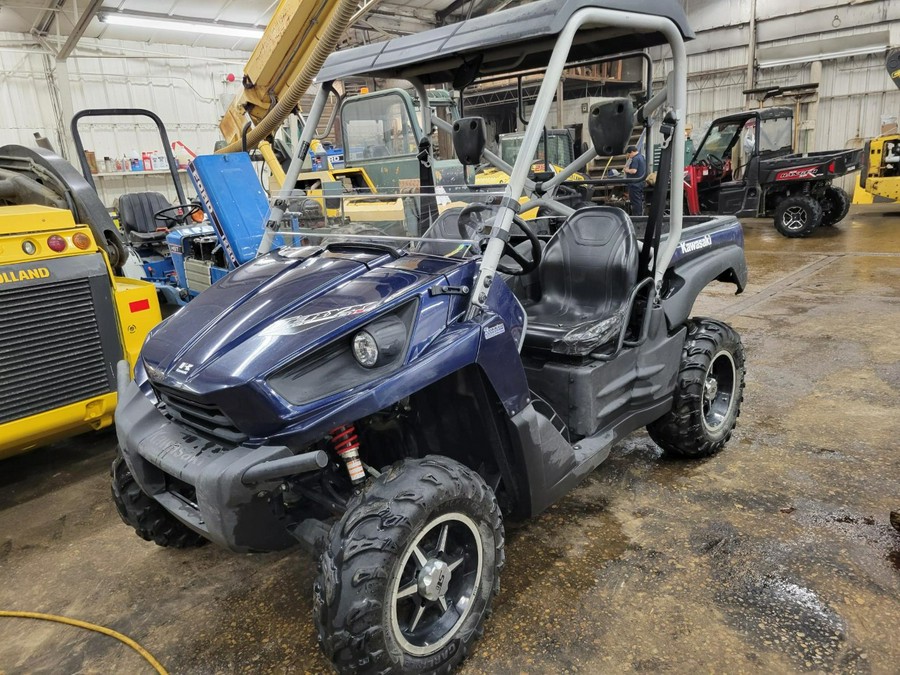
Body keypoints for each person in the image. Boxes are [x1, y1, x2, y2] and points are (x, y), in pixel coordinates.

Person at [624, 144, 646, 216]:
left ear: (632, 152)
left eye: (629, 154)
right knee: (638, 200)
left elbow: (634, 171)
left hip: (635, 184)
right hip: (640, 182)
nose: (629, 156)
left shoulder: (635, 159)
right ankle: (639, 215)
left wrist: (626, 170)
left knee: (635, 201)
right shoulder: (642, 157)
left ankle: (637, 216)